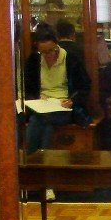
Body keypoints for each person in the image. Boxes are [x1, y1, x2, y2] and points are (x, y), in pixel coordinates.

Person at [23, 26, 91, 154]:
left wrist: (72, 100)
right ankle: (44, 160)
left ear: (57, 44)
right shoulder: (34, 60)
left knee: (37, 119)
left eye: (52, 50)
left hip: (64, 106)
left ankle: (31, 158)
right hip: (41, 105)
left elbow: (85, 86)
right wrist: (35, 99)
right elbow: (27, 87)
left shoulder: (71, 59)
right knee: (44, 123)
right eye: (44, 52)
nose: (48, 55)